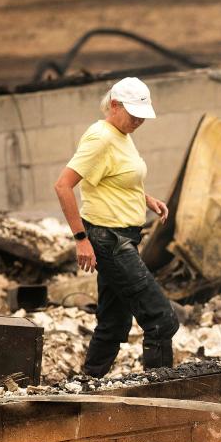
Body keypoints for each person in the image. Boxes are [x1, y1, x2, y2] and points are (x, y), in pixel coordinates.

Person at [53, 77, 179, 375]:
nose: (138, 121)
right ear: (114, 105)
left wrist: (145, 199)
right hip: (109, 241)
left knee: (113, 323)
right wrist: (80, 239)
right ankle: (162, 393)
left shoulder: (121, 134)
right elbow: (62, 186)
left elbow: (116, 177)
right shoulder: (101, 138)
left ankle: (87, 383)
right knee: (161, 320)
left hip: (122, 238)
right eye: (133, 114)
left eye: (142, 116)